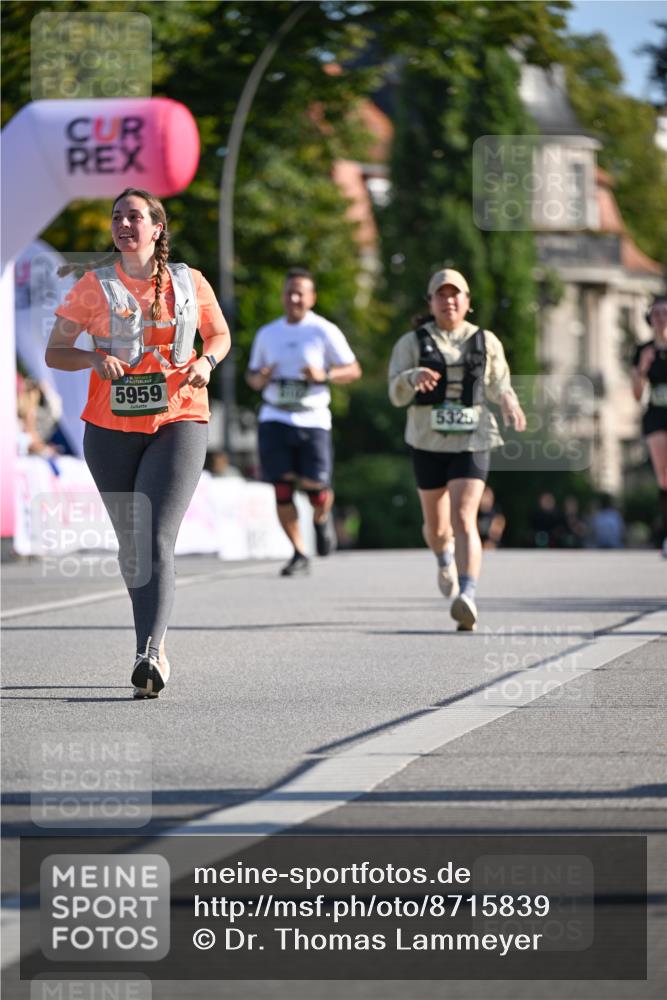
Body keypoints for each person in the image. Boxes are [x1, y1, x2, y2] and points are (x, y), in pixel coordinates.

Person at [46, 188, 230, 698]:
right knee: (133, 544)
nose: (124, 224)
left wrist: (205, 363)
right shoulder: (92, 286)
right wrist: (91, 359)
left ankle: (148, 652)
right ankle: (155, 641)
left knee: (152, 536)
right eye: (117, 217)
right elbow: (55, 352)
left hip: (179, 419)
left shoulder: (189, 282)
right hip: (109, 429)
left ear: (157, 228)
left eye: (135, 217)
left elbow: (220, 336)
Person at [388, 268, 526, 631]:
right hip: (426, 440)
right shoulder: (413, 342)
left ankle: (467, 594)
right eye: (441, 294)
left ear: (468, 302)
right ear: (430, 302)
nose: (449, 300)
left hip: (473, 438)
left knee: (465, 517)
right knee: (437, 527)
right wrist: (410, 378)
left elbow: (499, 383)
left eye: (456, 294)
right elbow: (394, 392)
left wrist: (509, 401)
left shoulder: (486, 341)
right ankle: (443, 556)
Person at [246, 267, 361, 576]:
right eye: (289, 292)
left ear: (312, 298)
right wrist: (261, 378)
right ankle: (299, 551)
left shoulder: (323, 330)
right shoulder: (267, 333)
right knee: (282, 488)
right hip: (275, 415)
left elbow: (353, 369)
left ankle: (321, 519)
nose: (294, 298)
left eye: (300, 293)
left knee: (316, 488)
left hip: (313, 419)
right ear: (283, 296)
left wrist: (325, 375)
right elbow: (252, 377)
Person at [632, 296, 667, 557]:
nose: (660, 319)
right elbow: (636, 394)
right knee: (664, 477)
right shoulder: (643, 350)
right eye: (655, 314)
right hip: (656, 415)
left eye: (664, 313)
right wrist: (642, 369)